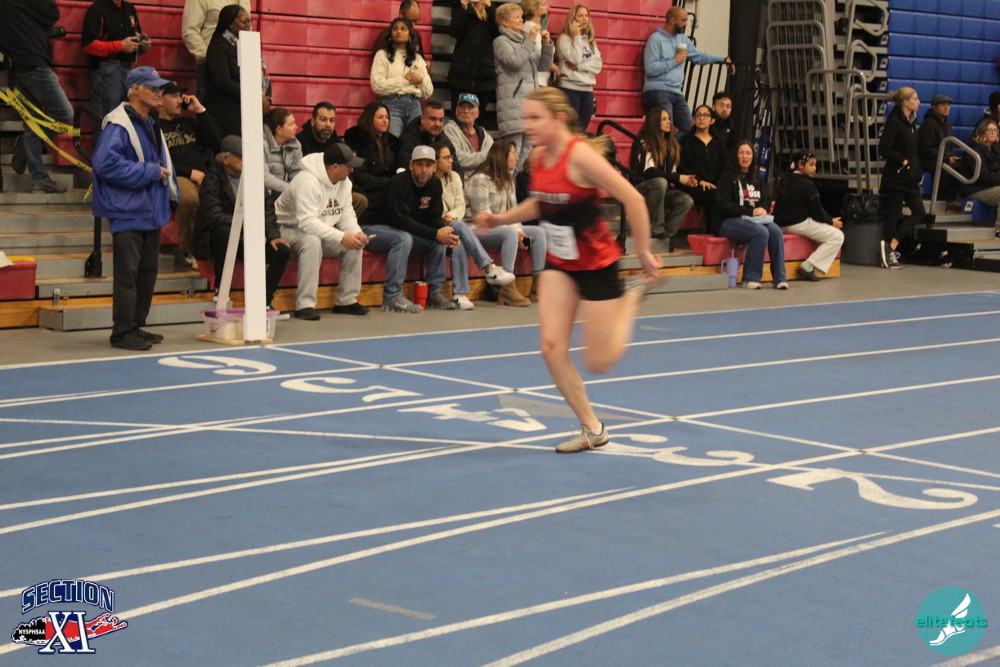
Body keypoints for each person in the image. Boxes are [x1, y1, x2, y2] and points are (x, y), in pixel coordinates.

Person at [474, 88, 661, 454]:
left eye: (535, 118)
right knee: (551, 348)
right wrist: (500, 219)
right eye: (525, 118)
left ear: (558, 119)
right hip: (561, 263)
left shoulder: (580, 157)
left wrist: (643, 251)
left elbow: (634, 199)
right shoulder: (539, 156)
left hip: (596, 265)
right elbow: (539, 203)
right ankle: (593, 428)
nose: (527, 126)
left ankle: (631, 297)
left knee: (599, 362)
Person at [91, 66, 178, 351]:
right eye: (153, 87)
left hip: (149, 210)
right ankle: (122, 332)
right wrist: (149, 172)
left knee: (146, 273)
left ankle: (135, 326)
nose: (159, 93)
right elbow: (105, 164)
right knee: (128, 276)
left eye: (160, 88)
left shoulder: (149, 122)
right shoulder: (119, 125)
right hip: (128, 211)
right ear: (134, 90)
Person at [193, 135, 290, 310]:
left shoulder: (252, 176)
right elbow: (213, 216)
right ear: (226, 159)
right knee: (223, 231)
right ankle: (221, 290)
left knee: (281, 250)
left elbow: (267, 208)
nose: (246, 162)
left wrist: (273, 235)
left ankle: (264, 301)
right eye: (241, 157)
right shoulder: (212, 179)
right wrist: (248, 225)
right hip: (217, 239)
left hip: (248, 236)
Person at [276, 143, 370, 320]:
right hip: (286, 230)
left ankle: (346, 300)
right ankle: (305, 305)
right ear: (335, 167)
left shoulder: (344, 182)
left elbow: (346, 214)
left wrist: (355, 233)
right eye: (348, 166)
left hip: (318, 230)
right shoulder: (307, 182)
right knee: (311, 241)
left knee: (354, 243)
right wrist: (342, 236)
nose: (352, 170)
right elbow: (307, 223)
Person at [0, 0, 74, 193]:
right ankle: (27, 152)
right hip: (34, 63)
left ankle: (38, 178)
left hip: (18, 65)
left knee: (32, 124)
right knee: (64, 113)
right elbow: (52, 13)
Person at [433, 142, 517, 309]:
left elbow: (460, 206)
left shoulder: (455, 177)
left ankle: (459, 294)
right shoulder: (432, 181)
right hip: (443, 224)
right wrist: (445, 218)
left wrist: (452, 216)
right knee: (461, 230)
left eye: (451, 157)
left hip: (454, 222)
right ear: (435, 162)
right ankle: (489, 268)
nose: (451, 160)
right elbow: (482, 214)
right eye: (446, 157)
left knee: (458, 242)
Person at [465, 140, 546, 305]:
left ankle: (537, 289)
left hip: (501, 228)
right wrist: (514, 232)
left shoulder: (509, 180)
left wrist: (519, 231)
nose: (517, 158)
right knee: (509, 233)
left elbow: (513, 212)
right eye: (513, 153)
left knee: (539, 233)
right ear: (502, 156)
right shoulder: (480, 179)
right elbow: (483, 216)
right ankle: (506, 289)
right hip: (476, 230)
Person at [159, 80, 220, 269]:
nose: (180, 100)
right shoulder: (154, 126)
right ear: (160, 99)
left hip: (201, 176)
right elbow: (157, 160)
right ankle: (187, 250)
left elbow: (215, 141)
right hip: (174, 175)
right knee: (189, 199)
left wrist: (199, 110)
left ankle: (214, 251)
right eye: (174, 96)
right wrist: (189, 172)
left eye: (181, 96)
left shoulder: (186, 123)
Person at [642, 6, 732, 135]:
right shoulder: (656, 39)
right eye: (683, 20)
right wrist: (675, 61)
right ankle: (667, 145)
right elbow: (650, 68)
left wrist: (722, 59)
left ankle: (673, 146)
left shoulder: (682, 39)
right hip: (658, 90)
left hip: (676, 91)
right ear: (673, 20)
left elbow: (699, 56)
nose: (686, 24)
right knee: (667, 128)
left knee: (692, 130)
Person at [710, 141, 787, 290]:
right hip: (726, 220)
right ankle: (750, 278)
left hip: (752, 219)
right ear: (736, 156)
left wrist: (763, 209)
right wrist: (750, 212)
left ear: (753, 157)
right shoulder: (728, 176)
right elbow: (724, 205)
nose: (745, 157)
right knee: (760, 232)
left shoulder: (757, 178)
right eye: (741, 153)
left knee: (775, 231)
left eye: (748, 153)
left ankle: (780, 278)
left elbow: (766, 199)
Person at [494, 1, 554, 172]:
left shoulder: (525, 41)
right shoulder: (501, 41)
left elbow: (543, 66)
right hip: (513, 105)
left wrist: (547, 45)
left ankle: (514, 186)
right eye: (517, 17)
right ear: (505, 22)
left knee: (526, 153)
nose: (521, 20)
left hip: (528, 106)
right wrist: (530, 40)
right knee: (513, 153)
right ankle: (506, 186)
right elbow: (514, 62)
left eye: (521, 17)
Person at [81, 0, 150, 145]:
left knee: (127, 120)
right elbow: (88, 45)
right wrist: (119, 46)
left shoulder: (130, 9)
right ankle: (104, 157)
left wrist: (142, 45)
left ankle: (119, 156)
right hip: (107, 68)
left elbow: (136, 36)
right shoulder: (97, 9)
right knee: (108, 119)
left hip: (128, 69)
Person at [629, 106, 696, 249]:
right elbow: (649, 172)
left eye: (669, 119)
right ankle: (656, 228)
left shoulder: (671, 144)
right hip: (641, 188)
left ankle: (666, 236)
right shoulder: (643, 142)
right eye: (664, 119)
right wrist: (678, 178)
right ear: (654, 122)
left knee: (686, 200)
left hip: (661, 189)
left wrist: (687, 180)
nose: (669, 122)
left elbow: (672, 173)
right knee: (660, 182)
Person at [772, 150, 844, 282]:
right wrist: (831, 222)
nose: (814, 168)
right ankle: (809, 265)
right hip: (797, 223)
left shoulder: (785, 179)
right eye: (811, 165)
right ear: (801, 165)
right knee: (837, 236)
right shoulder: (806, 184)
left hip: (779, 225)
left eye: (815, 165)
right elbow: (816, 212)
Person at [877, 87, 925, 269]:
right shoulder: (894, 122)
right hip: (896, 177)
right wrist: (902, 161)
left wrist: (916, 168)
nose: (918, 102)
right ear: (906, 102)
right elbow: (884, 148)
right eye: (915, 99)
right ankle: (886, 250)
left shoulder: (912, 123)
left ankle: (893, 243)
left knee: (919, 212)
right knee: (894, 215)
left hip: (910, 178)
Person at [204, 5, 269, 137]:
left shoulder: (248, 45)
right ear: (230, 24)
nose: (249, 25)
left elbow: (260, 74)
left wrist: (265, 96)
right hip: (226, 113)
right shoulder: (218, 47)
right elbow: (223, 82)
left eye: (249, 21)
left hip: (249, 111)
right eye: (244, 22)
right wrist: (253, 96)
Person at [371, 17, 432, 139]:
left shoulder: (418, 59)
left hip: (414, 105)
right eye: (395, 29)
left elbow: (428, 91)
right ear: (390, 34)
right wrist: (405, 81)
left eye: (403, 29)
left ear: (410, 35)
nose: (398, 32)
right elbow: (377, 86)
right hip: (391, 104)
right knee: (394, 142)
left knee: (415, 143)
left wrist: (420, 81)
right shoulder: (382, 55)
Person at [181, 0, 250, 99]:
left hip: (240, 64)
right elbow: (190, 32)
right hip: (212, 66)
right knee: (212, 104)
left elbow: (247, 28)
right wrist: (211, 57)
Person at [446, 0, 498, 120]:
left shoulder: (493, 12)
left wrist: (490, 8)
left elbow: (497, 32)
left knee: (478, 120)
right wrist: (463, 9)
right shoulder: (460, 9)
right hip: (460, 75)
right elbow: (454, 32)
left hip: (484, 77)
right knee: (457, 118)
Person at [556, 4, 603, 133]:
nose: (584, 19)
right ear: (573, 19)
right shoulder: (564, 39)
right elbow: (575, 58)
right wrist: (576, 36)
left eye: (586, 16)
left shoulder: (590, 41)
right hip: (569, 88)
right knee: (569, 131)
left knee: (581, 132)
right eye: (580, 16)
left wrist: (579, 67)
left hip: (587, 90)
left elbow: (598, 65)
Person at [344, 101, 400, 207]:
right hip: (367, 191)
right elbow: (360, 176)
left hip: (387, 189)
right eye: (380, 117)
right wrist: (388, 182)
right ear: (369, 119)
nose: (385, 121)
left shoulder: (392, 142)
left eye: (387, 117)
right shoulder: (358, 140)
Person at [677, 104, 727, 209]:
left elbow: (724, 166)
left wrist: (721, 184)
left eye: (705, 115)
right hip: (693, 184)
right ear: (694, 119)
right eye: (698, 115)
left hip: (714, 184)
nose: (701, 118)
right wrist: (700, 181)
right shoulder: (685, 141)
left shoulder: (718, 142)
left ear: (712, 120)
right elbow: (681, 167)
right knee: (715, 197)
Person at [958, 118, 1000, 237]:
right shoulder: (974, 151)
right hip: (975, 188)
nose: (993, 132)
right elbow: (983, 175)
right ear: (982, 132)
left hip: (991, 186)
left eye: (995, 130)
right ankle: (998, 229)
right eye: (990, 130)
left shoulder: (996, 149)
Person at [918, 94, 960, 206]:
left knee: (962, 165)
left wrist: (951, 157)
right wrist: (947, 159)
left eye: (948, 105)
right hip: (927, 160)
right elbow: (926, 149)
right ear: (934, 107)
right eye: (943, 105)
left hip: (941, 158)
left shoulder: (947, 125)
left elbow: (949, 146)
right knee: (945, 169)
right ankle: (941, 200)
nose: (947, 108)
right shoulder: (929, 124)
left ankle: (952, 198)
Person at [396, 101, 460, 173]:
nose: (438, 124)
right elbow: (407, 170)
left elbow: (457, 167)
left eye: (441, 120)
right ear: (422, 120)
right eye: (433, 119)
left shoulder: (443, 138)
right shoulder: (407, 140)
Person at [443, 93, 494, 180]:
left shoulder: (485, 135)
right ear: (456, 111)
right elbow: (457, 158)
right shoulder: (450, 129)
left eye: (470, 107)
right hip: (461, 181)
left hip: (483, 182)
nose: (466, 111)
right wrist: (486, 156)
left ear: (477, 113)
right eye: (462, 107)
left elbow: (494, 158)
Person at [263, 107, 303, 195]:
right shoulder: (261, 144)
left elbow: (298, 172)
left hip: (287, 195)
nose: (296, 127)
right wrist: (290, 189)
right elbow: (264, 177)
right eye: (291, 124)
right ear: (279, 129)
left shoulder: (295, 145)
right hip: (265, 197)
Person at [521, 0, 558, 88]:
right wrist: (553, 67)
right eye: (543, 4)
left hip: (540, 79)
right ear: (534, 9)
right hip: (536, 80)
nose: (547, 7)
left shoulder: (537, 27)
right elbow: (537, 54)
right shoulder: (530, 27)